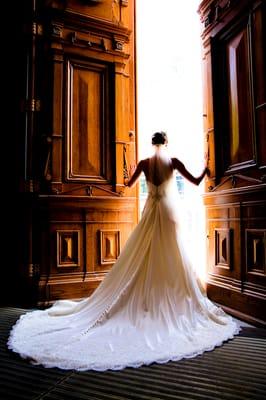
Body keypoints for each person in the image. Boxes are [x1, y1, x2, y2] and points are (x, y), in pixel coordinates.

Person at [8, 131, 239, 371]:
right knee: (171, 255)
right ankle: (166, 292)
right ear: (166, 143)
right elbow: (195, 181)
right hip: (169, 215)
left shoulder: (144, 164)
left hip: (151, 212)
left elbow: (127, 184)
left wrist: (127, 169)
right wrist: (207, 169)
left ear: (152, 144)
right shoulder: (174, 162)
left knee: (144, 253)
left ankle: (145, 294)